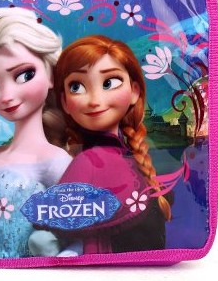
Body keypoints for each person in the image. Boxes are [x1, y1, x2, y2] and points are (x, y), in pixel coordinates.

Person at [0, 8, 75, 258]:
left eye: (24, 75)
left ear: (51, 75)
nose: (6, 96)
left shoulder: (55, 161)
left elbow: (76, 234)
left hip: (32, 275)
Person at [51, 36, 171, 253]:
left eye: (110, 83)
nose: (95, 100)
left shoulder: (99, 160)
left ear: (134, 91)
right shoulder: (89, 162)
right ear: (64, 102)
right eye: (76, 87)